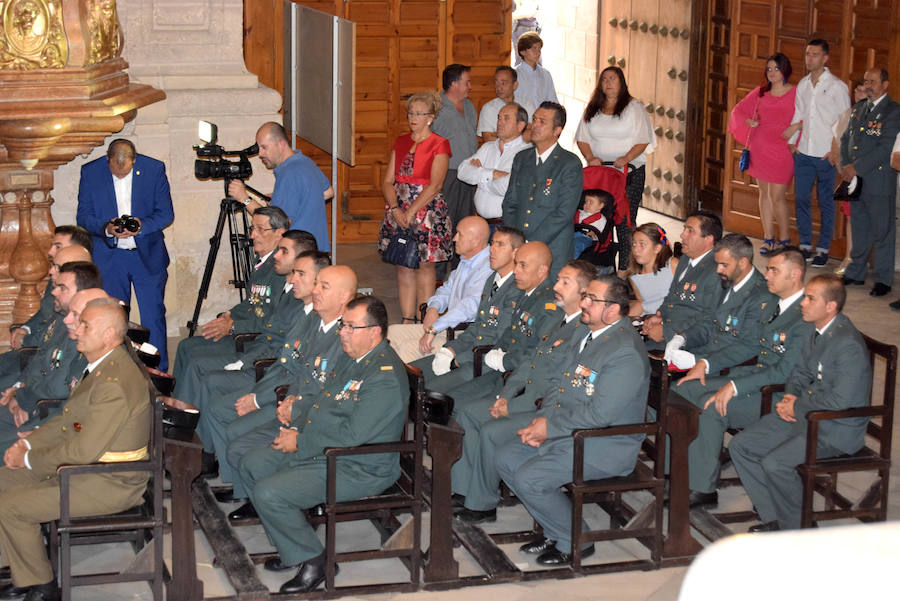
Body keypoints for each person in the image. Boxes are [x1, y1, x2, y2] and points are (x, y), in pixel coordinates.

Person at [237, 296, 408, 594]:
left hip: (360, 465)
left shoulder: (384, 377)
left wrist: (300, 442)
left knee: (269, 493)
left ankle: (315, 561)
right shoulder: (352, 357)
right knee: (252, 463)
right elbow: (325, 402)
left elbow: (353, 435)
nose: (342, 332)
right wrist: (297, 410)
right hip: (326, 450)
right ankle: (293, 546)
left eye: (351, 327)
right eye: (343, 325)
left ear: (375, 332)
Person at [0, 298, 151, 600]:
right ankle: (19, 568)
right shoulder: (103, 365)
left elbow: (82, 452)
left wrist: (29, 459)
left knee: (12, 507)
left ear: (108, 334)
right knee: (3, 479)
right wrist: (29, 442)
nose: (77, 330)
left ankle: (43, 587)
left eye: (85, 325)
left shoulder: (113, 383)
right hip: (89, 469)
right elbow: (70, 420)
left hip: (110, 481)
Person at [494, 275, 650, 566]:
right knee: (506, 457)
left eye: (593, 299)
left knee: (531, 478)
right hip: (568, 431)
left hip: (604, 444)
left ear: (613, 310)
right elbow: (558, 384)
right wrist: (540, 421)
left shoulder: (624, 352)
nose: (584, 303)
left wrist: (549, 428)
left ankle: (576, 539)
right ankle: (556, 528)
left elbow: (601, 415)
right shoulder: (584, 331)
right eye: (585, 296)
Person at [452, 259, 593, 523]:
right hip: (521, 397)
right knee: (468, 414)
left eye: (565, 282)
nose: (557, 286)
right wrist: (505, 395)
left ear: (584, 293)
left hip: (542, 408)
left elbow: (557, 388)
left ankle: (482, 503)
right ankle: (464, 490)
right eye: (558, 279)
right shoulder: (558, 322)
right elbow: (528, 365)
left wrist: (512, 406)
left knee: (491, 430)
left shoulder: (582, 332)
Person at [200, 263, 355, 503]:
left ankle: (268, 498)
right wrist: (286, 399)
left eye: (324, 287)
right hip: (291, 399)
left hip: (311, 416)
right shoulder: (315, 320)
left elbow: (329, 392)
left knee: (240, 438)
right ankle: (252, 494)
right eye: (317, 285)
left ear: (344, 296)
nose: (316, 291)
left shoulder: (347, 337)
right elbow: (296, 368)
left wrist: (285, 404)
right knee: (235, 433)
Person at [729, 275, 872, 532]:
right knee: (742, 446)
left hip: (834, 428)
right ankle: (774, 517)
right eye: (805, 296)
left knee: (776, 463)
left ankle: (800, 529)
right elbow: (799, 372)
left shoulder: (846, 344)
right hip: (807, 413)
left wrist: (798, 406)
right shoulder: (814, 328)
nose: (803, 303)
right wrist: (791, 395)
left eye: (810, 298)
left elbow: (840, 401)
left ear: (831, 306)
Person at [675, 246, 808, 508]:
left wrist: (734, 386)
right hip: (756, 378)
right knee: (682, 389)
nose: (766, 275)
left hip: (778, 394)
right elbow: (748, 346)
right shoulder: (774, 305)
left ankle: (703, 488)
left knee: (712, 406)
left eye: (773, 270)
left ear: (795, 275)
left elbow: (785, 372)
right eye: (768, 269)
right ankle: (677, 471)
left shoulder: (805, 315)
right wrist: (706, 363)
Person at [76, 138, 174, 370]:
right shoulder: (90, 172)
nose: (120, 176)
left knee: (154, 318)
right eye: (115, 171)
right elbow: (83, 217)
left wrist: (143, 225)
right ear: (108, 160)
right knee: (114, 320)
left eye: (126, 171)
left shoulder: (154, 170)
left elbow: (166, 213)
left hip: (147, 256)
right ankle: (117, 371)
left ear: (134, 160)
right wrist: (106, 228)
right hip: (110, 259)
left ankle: (158, 373)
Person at [422, 241, 557, 399]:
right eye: (516, 264)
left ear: (542, 270)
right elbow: (484, 327)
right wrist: (451, 349)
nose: (516, 271)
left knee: (436, 395)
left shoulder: (545, 304)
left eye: (523, 265)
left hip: (497, 367)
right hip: (487, 358)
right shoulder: (523, 292)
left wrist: (500, 360)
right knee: (418, 381)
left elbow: (534, 352)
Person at [171, 206, 289, 385]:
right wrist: (228, 315)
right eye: (252, 229)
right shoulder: (262, 263)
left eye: (260, 229)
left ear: (279, 233)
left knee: (195, 360)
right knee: (185, 346)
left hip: (254, 338)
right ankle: (176, 405)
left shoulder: (281, 270)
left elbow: (272, 321)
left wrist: (233, 327)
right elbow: (252, 302)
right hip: (245, 330)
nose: (252, 236)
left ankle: (187, 408)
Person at [0, 262, 103, 440]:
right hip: (32, 403)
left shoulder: (82, 336)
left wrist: (22, 397)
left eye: (62, 288)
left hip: (43, 414)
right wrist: (18, 389)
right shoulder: (65, 322)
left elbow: (59, 389)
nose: (53, 291)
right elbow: (38, 361)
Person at [410, 226, 524, 381]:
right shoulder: (493, 280)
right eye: (493, 243)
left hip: (485, 363)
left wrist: (458, 360)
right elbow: (478, 326)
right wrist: (449, 350)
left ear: (516, 252)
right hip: (471, 351)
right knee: (411, 375)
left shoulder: (516, 288)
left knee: (427, 389)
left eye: (500, 245)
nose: (492, 250)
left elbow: (500, 339)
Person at [378, 91, 453, 324]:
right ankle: (407, 319)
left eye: (419, 114)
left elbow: (436, 184)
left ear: (431, 117)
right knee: (403, 265)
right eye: (411, 113)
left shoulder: (439, 144)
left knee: (425, 267)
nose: (413, 118)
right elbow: (387, 181)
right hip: (398, 208)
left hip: (427, 211)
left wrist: (411, 212)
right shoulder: (400, 141)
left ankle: (425, 319)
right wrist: (395, 209)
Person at [575, 66, 657, 270]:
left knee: (624, 220)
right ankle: (603, 263)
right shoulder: (593, 108)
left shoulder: (634, 107)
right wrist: (590, 156)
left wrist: (626, 157)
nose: (608, 82)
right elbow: (582, 137)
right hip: (601, 173)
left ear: (621, 82)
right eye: (604, 79)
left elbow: (643, 139)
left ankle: (626, 269)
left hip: (628, 171)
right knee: (599, 217)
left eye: (612, 78)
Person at [387, 216, 492, 363]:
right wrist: (433, 308)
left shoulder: (488, 268)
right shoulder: (467, 260)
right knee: (392, 333)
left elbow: (469, 308)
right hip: (450, 328)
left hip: (465, 336)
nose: (454, 238)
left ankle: (404, 384)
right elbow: (446, 289)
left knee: (408, 348)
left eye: (459, 234)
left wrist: (434, 329)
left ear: (475, 241)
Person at [785, 39, 850, 266]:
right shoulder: (803, 84)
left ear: (825, 58)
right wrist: (793, 141)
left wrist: (836, 150)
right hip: (804, 153)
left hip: (825, 155)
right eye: (807, 54)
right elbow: (799, 113)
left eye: (814, 54)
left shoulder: (836, 86)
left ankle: (822, 249)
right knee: (801, 198)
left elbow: (844, 121)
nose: (809, 58)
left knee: (825, 202)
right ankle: (804, 245)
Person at [663, 234, 769, 372]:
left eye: (724, 265)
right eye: (717, 264)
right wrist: (682, 337)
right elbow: (709, 320)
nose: (718, 270)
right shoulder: (727, 279)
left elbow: (745, 347)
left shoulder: (761, 296)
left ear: (743, 263)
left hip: (727, 368)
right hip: (703, 352)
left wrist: (700, 361)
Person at [502, 101, 583, 278]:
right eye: (534, 119)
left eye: (542, 122)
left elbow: (564, 212)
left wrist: (529, 242)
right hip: (519, 247)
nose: (535, 125)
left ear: (557, 130)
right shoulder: (522, 158)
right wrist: (515, 240)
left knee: (548, 301)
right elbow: (510, 203)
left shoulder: (569, 163)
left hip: (553, 249)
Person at [839, 67, 900, 298]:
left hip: (878, 181)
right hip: (855, 179)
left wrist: (857, 167)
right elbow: (846, 139)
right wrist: (846, 166)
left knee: (882, 231)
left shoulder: (893, 112)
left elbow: (886, 148)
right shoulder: (858, 109)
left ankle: (883, 279)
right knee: (860, 226)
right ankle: (856, 271)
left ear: (885, 84)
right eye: (865, 81)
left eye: (873, 82)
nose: (867, 86)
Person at [729, 53, 797, 257]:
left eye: (776, 68)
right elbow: (738, 111)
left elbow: (806, 117)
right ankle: (768, 238)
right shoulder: (760, 92)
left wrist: (796, 127)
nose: (772, 73)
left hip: (783, 149)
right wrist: (748, 121)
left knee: (777, 196)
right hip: (761, 146)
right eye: (769, 69)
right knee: (764, 194)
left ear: (785, 70)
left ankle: (785, 239)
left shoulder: (796, 92)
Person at [227, 122, 332, 251]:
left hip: (298, 255)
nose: (260, 154)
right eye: (258, 148)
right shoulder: (304, 161)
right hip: (316, 250)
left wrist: (244, 198)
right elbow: (328, 192)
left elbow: (273, 223)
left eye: (264, 147)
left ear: (281, 144)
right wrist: (288, 197)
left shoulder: (289, 173)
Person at [641, 211, 724, 345]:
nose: (682, 235)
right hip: (670, 327)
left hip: (689, 341)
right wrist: (660, 316)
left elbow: (710, 316)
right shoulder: (686, 259)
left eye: (690, 231)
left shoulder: (717, 271)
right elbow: (673, 296)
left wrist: (667, 331)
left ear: (709, 239)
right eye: (684, 229)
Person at [7, 225, 92, 352]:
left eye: (57, 246)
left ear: (76, 249)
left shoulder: (82, 285)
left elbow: (57, 329)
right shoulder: (57, 277)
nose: (50, 252)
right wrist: (26, 328)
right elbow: (44, 312)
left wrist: (25, 340)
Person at [458, 103, 531, 222]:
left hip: (508, 224)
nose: (499, 122)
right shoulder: (488, 147)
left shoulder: (526, 153)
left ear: (520, 125)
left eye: (506, 118)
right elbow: (462, 171)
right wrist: (493, 174)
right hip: (481, 221)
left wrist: (479, 178)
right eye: (499, 118)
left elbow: (509, 188)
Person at [431, 64, 478, 229]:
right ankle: (444, 254)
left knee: (466, 218)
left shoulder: (469, 106)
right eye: (467, 83)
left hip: (470, 172)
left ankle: (462, 254)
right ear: (454, 84)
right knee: (445, 218)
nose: (470, 87)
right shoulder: (435, 107)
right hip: (447, 173)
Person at [830, 80, 867, 276]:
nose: (860, 95)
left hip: (871, 176)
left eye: (864, 91)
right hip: (849, 176)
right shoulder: (846, 116)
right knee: (852, 218)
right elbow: (836, 144)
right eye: (857, 91)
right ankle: (850, 257)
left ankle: (866, 261)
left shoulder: (879, 117)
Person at [627, 223, 676, 316]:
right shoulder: (634, 276)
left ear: (657, 248)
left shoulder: (672, 265)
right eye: (634, 244)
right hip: (649, 319)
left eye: (642, 244)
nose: (636, 250)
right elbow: (642, 304)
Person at [477, 67, 533, 142]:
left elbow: (532, 133)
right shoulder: (488, 108)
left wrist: (498, 134)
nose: (499, 87)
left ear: (515, 85)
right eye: (496, 82)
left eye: (503, 83)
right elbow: (488, 139)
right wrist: (520, 133)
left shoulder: (527, 105)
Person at [514, 32, 558, 112]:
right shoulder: (515, 75)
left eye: (539, 49)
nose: (538, 52)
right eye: (534, 48)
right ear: (522, 52)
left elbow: (552, 100)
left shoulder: (546, 74)